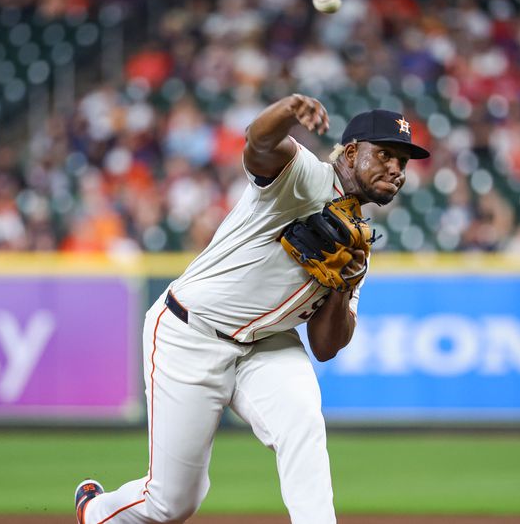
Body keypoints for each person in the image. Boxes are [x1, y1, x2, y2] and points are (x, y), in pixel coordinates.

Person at [74, 94, 429, 524]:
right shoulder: (304, 176)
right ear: (351, 153)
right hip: (192, 333)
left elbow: (325, 346)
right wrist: (287, 111)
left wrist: (341, 285)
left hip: (265, 345)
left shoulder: (359, 247)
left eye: (403, 162)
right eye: (386, 154)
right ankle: (96, 511)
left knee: (303, 423)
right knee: (172, 504)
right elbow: (258, 144)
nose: (396, 168)